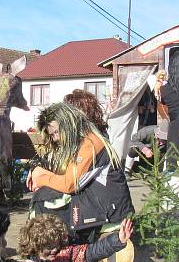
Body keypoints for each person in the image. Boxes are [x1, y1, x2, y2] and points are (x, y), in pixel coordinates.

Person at [28, 103, 134, 241]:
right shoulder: (82, 141)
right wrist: (36, 169)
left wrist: (39, 176)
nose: (56, 138)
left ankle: (44, 249)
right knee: (44, 196)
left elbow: (69, 184)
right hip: (99, 205)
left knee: (43, 201)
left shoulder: (90, 143)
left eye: (57, 132)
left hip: (111, 213)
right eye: (52, 135)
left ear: (68, 125)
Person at [18, 214, 133, 262]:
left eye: (57, 244)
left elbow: (93, 251)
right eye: (49, 246)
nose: (54, 249)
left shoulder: (67, 254)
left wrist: (118, 240)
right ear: (36, 246)